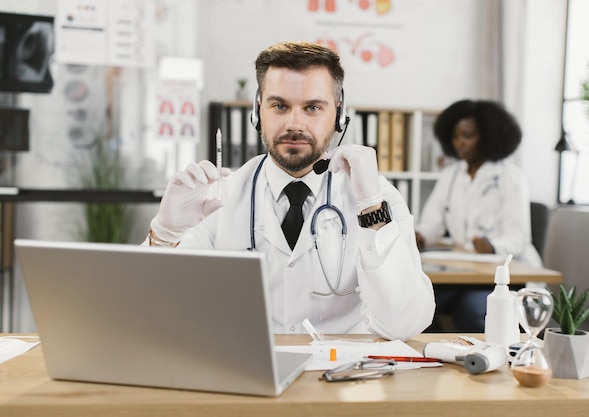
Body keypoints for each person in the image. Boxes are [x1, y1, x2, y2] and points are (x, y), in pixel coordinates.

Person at [145, 41, 435, 341]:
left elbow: (404, 324)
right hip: (247, 370)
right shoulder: (216, 197)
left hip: (344, 376)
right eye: (279, 106)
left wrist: (371, 207)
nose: (294, 124)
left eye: (312, 107)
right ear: (258, 112)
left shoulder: (376, 197)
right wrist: (164, 235)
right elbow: (157, 311)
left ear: (339, 114)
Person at [415, 99, 541, 332]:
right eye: (455, 136)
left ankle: (484, 364)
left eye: (468, 135)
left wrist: (491, 245)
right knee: (417, 306)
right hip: (463, 272)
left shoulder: (511, 177)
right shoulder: (451, 175)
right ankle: (439, 360)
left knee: (470, 309)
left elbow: (518, 238)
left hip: (504, 275)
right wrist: (420, 236)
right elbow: (433, 222)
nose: (459, 142)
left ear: (487, 136)